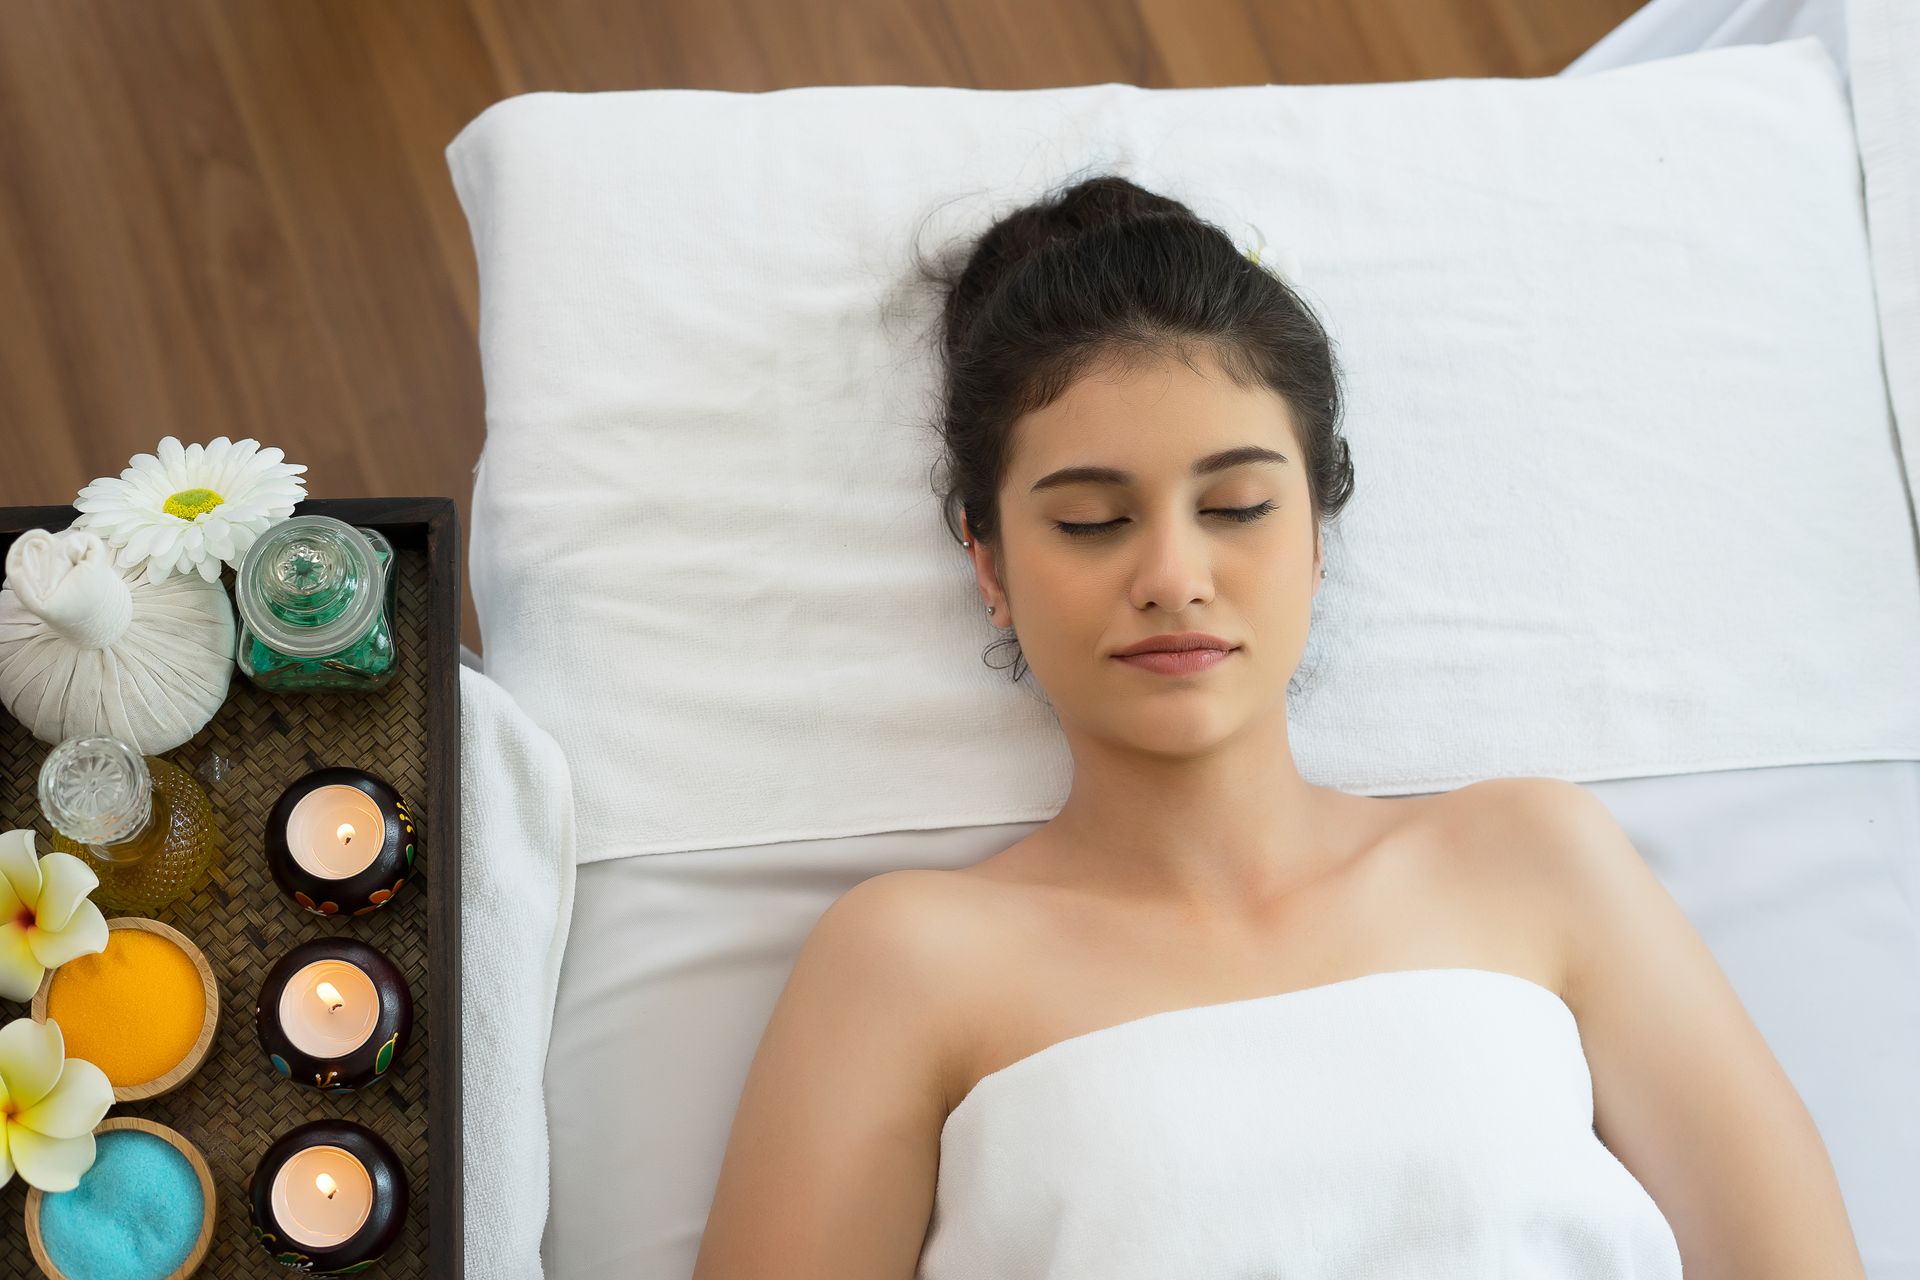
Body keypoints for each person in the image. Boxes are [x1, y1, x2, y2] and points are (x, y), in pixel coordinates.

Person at [691, 172, 1865, 1280]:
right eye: (1093, 521)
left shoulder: (1533, 859)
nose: (1173, 574)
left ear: (1316, 530)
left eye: (1237, 505)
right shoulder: (906, 961)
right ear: (987, 561)